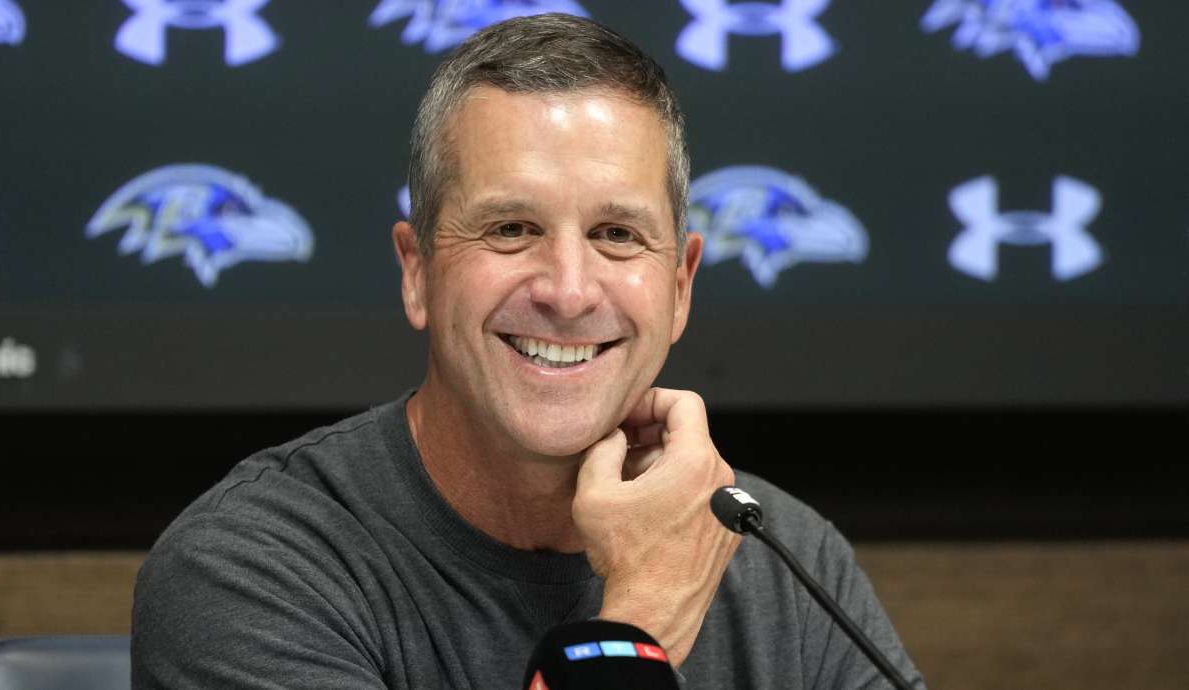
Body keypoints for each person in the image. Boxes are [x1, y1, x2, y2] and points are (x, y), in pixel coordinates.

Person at [132, 13, 925, 690]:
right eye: (512, 229)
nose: (569, 291)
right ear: (419, 272)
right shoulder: (246, 568)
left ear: (680, 285)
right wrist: (641, 623)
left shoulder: (786, 556)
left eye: (618, 235)